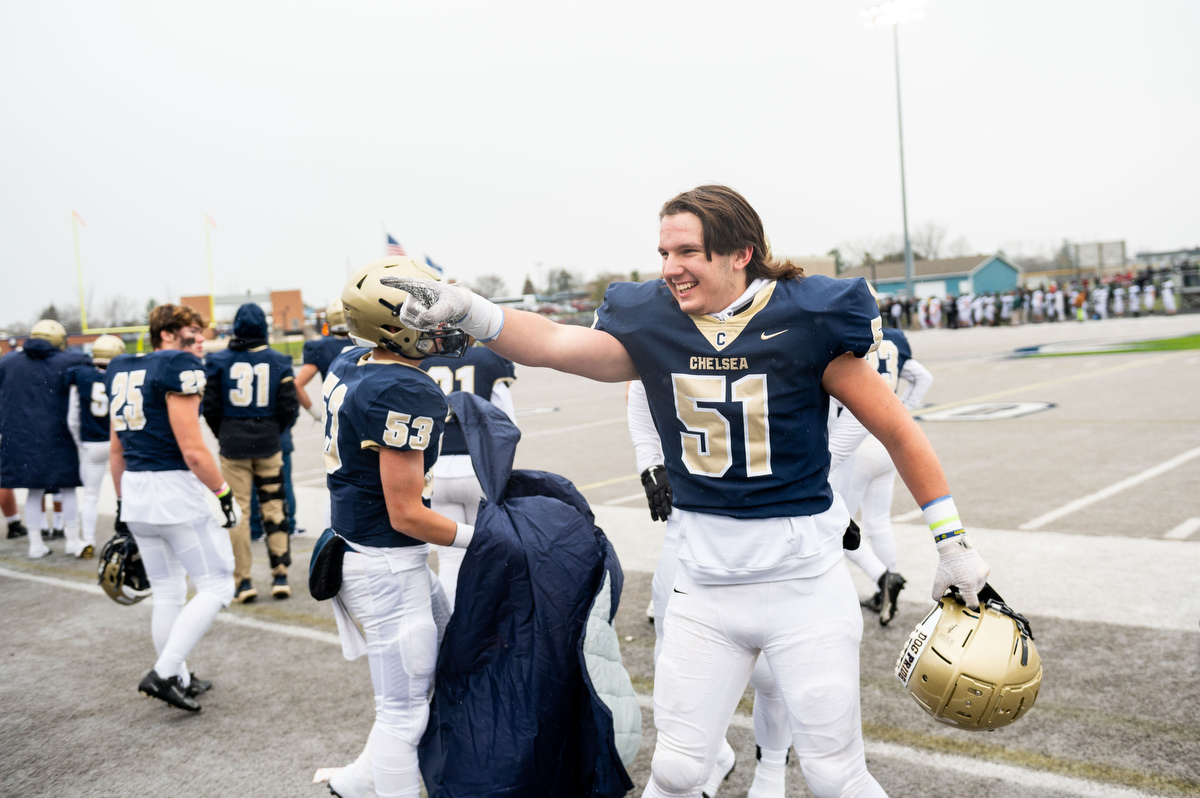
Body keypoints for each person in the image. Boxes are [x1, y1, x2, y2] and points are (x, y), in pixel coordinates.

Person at [390, 184, 990, 798]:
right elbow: (555, 344)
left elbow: (899, 432)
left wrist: (952, 544)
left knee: (835, 774)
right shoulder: (654, 323)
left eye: (688, 252)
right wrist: (468, 309)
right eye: (664, 252)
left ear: (741, 254)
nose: (670, 268)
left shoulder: (807, 320)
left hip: (802, 585)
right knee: (676, 769)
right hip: (704, 585)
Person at [320, 257, 470, 798]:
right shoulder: (405, 390)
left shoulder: (351, 360)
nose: (436, 323)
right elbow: (405, 511)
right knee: (403, 715)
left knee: (429, 674)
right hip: (386, 562)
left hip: (364, 549)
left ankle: (356, 783)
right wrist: (486, 539)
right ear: (391, 328)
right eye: (421, 313)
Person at [628, 378, 791, 798]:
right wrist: (651, 461)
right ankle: (710, 755)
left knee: (773, 671)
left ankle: (771, 772)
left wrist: (832, 492)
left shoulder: (791, 316)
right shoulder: (669, 315)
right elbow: (637, 385)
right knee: (673, 652)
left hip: (776, 511)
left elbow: (856, 404)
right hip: (692, 512)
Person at [107, 303, 240, 711]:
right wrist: (222, 492)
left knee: (167, 591)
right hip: (173, 491)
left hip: (136, 490)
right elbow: (193, 450)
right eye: (191, 332)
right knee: (218, 583)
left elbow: (117, 450)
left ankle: (178, 676)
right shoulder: (176, 366)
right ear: (166, 334)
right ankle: (164, 673)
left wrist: (120, 502)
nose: (201, 339)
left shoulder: (122, 367)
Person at [829, 325, 933, 626]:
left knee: (833, 526)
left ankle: (882, 578)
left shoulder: (844, 335)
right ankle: (883, 589)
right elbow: (923, 378)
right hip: (885, 440)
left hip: (853, 442)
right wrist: (899, 411)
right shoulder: (895, 338)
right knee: (877, 521)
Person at [203, 303, 299, 602]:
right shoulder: (279, 360)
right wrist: (272, 429)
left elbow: (211, 408)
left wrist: (226, 432)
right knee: (274, 506)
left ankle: (243, 581)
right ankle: (280, 574)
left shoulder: (218, 361)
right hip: (269, 443)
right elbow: (288, 407)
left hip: (233, 445)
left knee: (239, 513)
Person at [418, 338, 517, 610]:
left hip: (434, 470)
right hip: (477, 468)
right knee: (487, 554)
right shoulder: (488, 360)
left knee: (450, 560)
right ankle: (484, 627)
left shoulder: (420, 360)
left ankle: (453, 629)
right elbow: (506, 423)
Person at [0, 319, 87, 558]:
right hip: (57, 434)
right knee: (68, 489)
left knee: (34, 490)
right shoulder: (71, 361)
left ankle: (35, 544)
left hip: (21, 436)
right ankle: (72, 540)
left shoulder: (9, 362)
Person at [65, 334, 127, 558]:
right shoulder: (122, 376)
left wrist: (80, 443)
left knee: (91, 496)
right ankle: (129, 537)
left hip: (92, 443)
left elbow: (72, 418)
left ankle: (89, 540)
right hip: (119, 442)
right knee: (126, 495)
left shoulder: (80, 375)